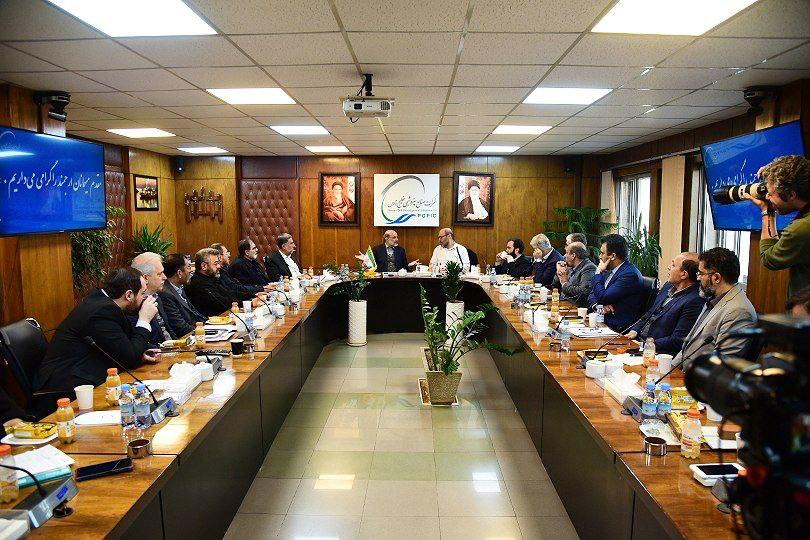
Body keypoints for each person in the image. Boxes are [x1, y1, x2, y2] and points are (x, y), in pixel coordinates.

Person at [36, 268, 160, 393]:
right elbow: (130, 357)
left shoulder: (104, 303)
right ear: (128, 295)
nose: (144, 298)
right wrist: (144, 320)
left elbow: (125, 348)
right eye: (142, 294)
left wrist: (140, 355)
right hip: (67, 388)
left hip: (85, 377)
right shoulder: (102, 311)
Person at [675, 248, 758, 368]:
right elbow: (687, 348)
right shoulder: (714, 298)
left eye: (701, 273)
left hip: (699, 377)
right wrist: (670, 369)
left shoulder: (738, 311)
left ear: (716, 278)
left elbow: (721, 364)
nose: (698, 278)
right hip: (682, 373)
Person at [744, 155, 810, 296]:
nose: (767, 197)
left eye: (771, 193)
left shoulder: (802, 229)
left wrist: (766, 211)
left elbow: (768, 259)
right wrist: (774, 171)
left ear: (791, 195)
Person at [624, 253, 704, 355]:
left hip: (657, 352)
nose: (668, 267)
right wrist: (634, 331)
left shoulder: (695, 300)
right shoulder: (668, 286)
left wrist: (645, 345)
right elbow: (650, 313)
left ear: (684, 274)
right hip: (637, 342)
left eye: (673, 265)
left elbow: (678, 340)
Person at [587, 234, 646, 331]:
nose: (599, 256)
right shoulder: (609, 270)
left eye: (602, 253)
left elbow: (603, 297)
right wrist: (598, 306)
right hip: (602, 322)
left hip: (617, 328)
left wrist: (598, 272)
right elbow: (592, 293)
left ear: (613, 256)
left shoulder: (630, 274)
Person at [186, 248, 256, 317]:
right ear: (204, 266)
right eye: (216, 263)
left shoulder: (211, 278)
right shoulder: (198, 284)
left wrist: (253, 295)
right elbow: (223, 302)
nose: (219, 266)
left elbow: (229, 293)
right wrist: (249, 303)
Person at [159, 253, 206, 337]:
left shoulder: (179, 287)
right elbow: (180, 327)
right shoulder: (166, 294)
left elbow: (194, 313)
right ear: (179, 273)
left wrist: (210, 325)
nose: (191, 270)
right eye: (188, 267)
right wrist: (205, 330)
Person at [131, 252, 173, 342]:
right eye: (159, 274)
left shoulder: (157, 296)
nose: (165, 277)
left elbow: (168, 330)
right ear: (145, 278)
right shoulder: (134, 304)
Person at [550, 242, 597, 307]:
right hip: (562, 304)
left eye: (567, 253)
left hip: (576, 308)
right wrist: (559, 272)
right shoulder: (569, 266)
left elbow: (583, 292)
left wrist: (564, 283)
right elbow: (554, 286)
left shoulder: (589, 268)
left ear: (573, 256)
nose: (564, 256)